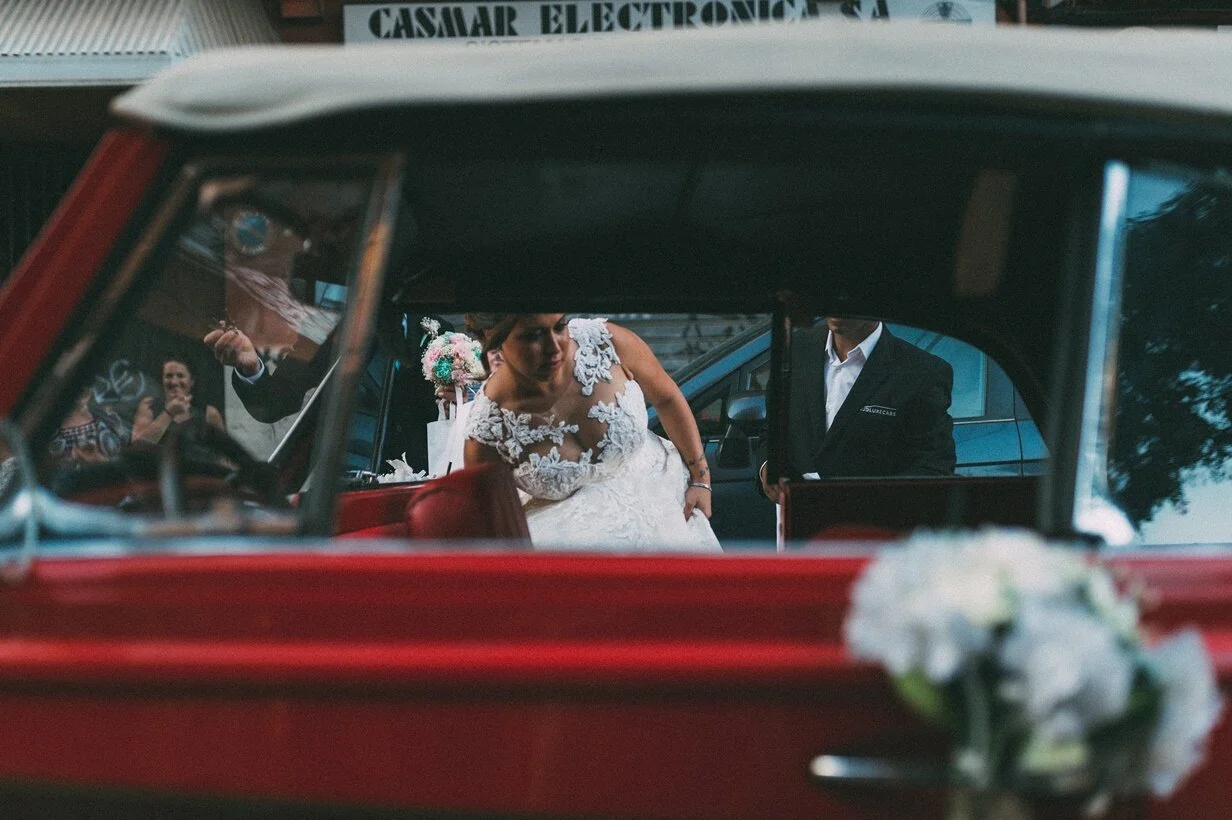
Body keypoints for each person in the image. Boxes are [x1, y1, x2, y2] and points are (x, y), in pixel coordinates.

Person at [463, 314, 720, 551]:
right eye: (533, 336)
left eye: (559, 326)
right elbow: (496, 532)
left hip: (671, 519)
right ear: (491, 337)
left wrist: (701, 479)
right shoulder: (487, 431)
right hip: (578, 563)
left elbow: (667, 399)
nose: (554, 347)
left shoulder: (607, 343)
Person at [759, 316, 955, 503]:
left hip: (869, 529)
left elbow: (933, 468)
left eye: (848, 293)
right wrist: (768, 467)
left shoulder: (922, 373)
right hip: (793, 526)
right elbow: (772, 429)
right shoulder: (796, 347)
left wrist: (857, 501)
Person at [131, 355, 225, 446]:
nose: (174, 382)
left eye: (180, 376)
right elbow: (137, 445)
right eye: (169, 376)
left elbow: (224, 453)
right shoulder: (149, 406)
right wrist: (168, 414)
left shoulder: (208, 413)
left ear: (191, 381)